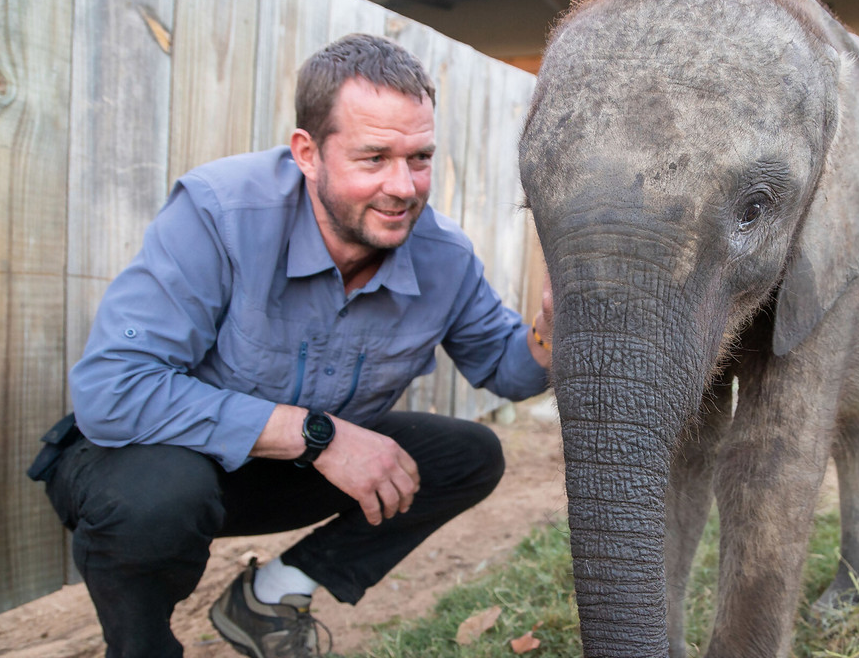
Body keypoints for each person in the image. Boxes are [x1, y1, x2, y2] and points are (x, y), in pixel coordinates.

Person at [27, 33, 553, 658]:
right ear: (308, 152)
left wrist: (555, 324)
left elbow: (511, 370)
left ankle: (270, 596)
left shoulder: (443, 256)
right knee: (161, 498)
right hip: (143, 463)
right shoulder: (221, 213)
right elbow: (113, 391)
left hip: (275, 473)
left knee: (468, 454)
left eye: (419, 158)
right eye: (373, 157)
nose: (404, 186)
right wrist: (320, 437)